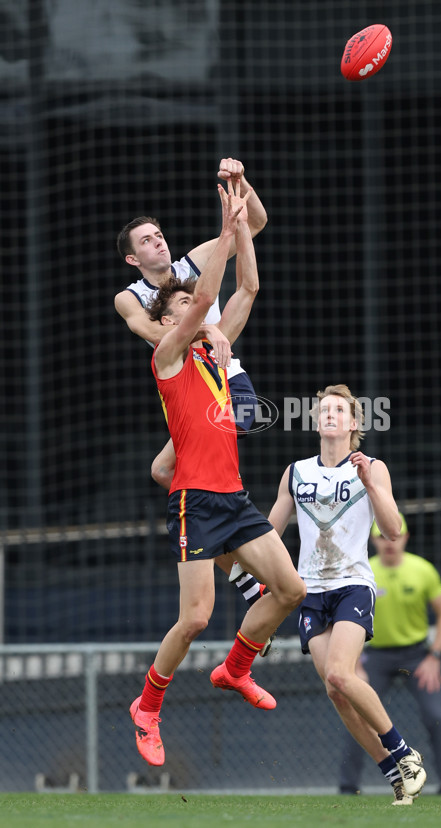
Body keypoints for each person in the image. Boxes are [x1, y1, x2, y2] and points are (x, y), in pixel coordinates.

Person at [128, 179, 306, 766]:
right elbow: (203, 302)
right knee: (195, 617)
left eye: (190, 301)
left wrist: (237, 223)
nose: (190, 305)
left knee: (291, 589)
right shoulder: (170, 356)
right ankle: (148, 706)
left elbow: (248, 286)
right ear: (171, 321)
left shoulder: (216, 353)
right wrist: (227, 229)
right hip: (197, 501)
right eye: (178, 305)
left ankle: (236, 669)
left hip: (234, 498)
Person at [115, 158, 269, 621]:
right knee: (163, 472)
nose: (156, 241)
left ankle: (254, 539)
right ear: (132, 258)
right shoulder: (131, 296)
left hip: (224, 381)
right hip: (184, 392)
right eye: (145, 241)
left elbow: (255, 222)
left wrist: (240, 186)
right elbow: (156, 334)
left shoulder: (193, 263)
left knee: (231, 436)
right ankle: (244, 574)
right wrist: (206, 330)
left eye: (158, 234)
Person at [268, 384, 427, 806]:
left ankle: (404, 750)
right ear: (317, 421)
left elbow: (393, 530)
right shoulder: (295, 472)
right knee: (336, 691)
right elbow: (269, 536)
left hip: (353, 584)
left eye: (339, 409)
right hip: (310, 592)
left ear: (354, 423)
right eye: (324, 409)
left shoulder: (373, 467)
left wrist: (370, 485)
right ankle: (395, 773)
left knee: (341, 673)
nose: (330, 414)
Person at [338, 514, 441, 796]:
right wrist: (354, 664)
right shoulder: (363, 570)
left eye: (394, 536)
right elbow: (348, 618)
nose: (389, 543)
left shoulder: (423, 570)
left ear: (405, 537)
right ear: (372, 540)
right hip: (375, 656)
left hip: (417, 656)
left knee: (436, 715)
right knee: (357, 714)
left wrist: (435, 656)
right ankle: (348, 788)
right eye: (381, 537)